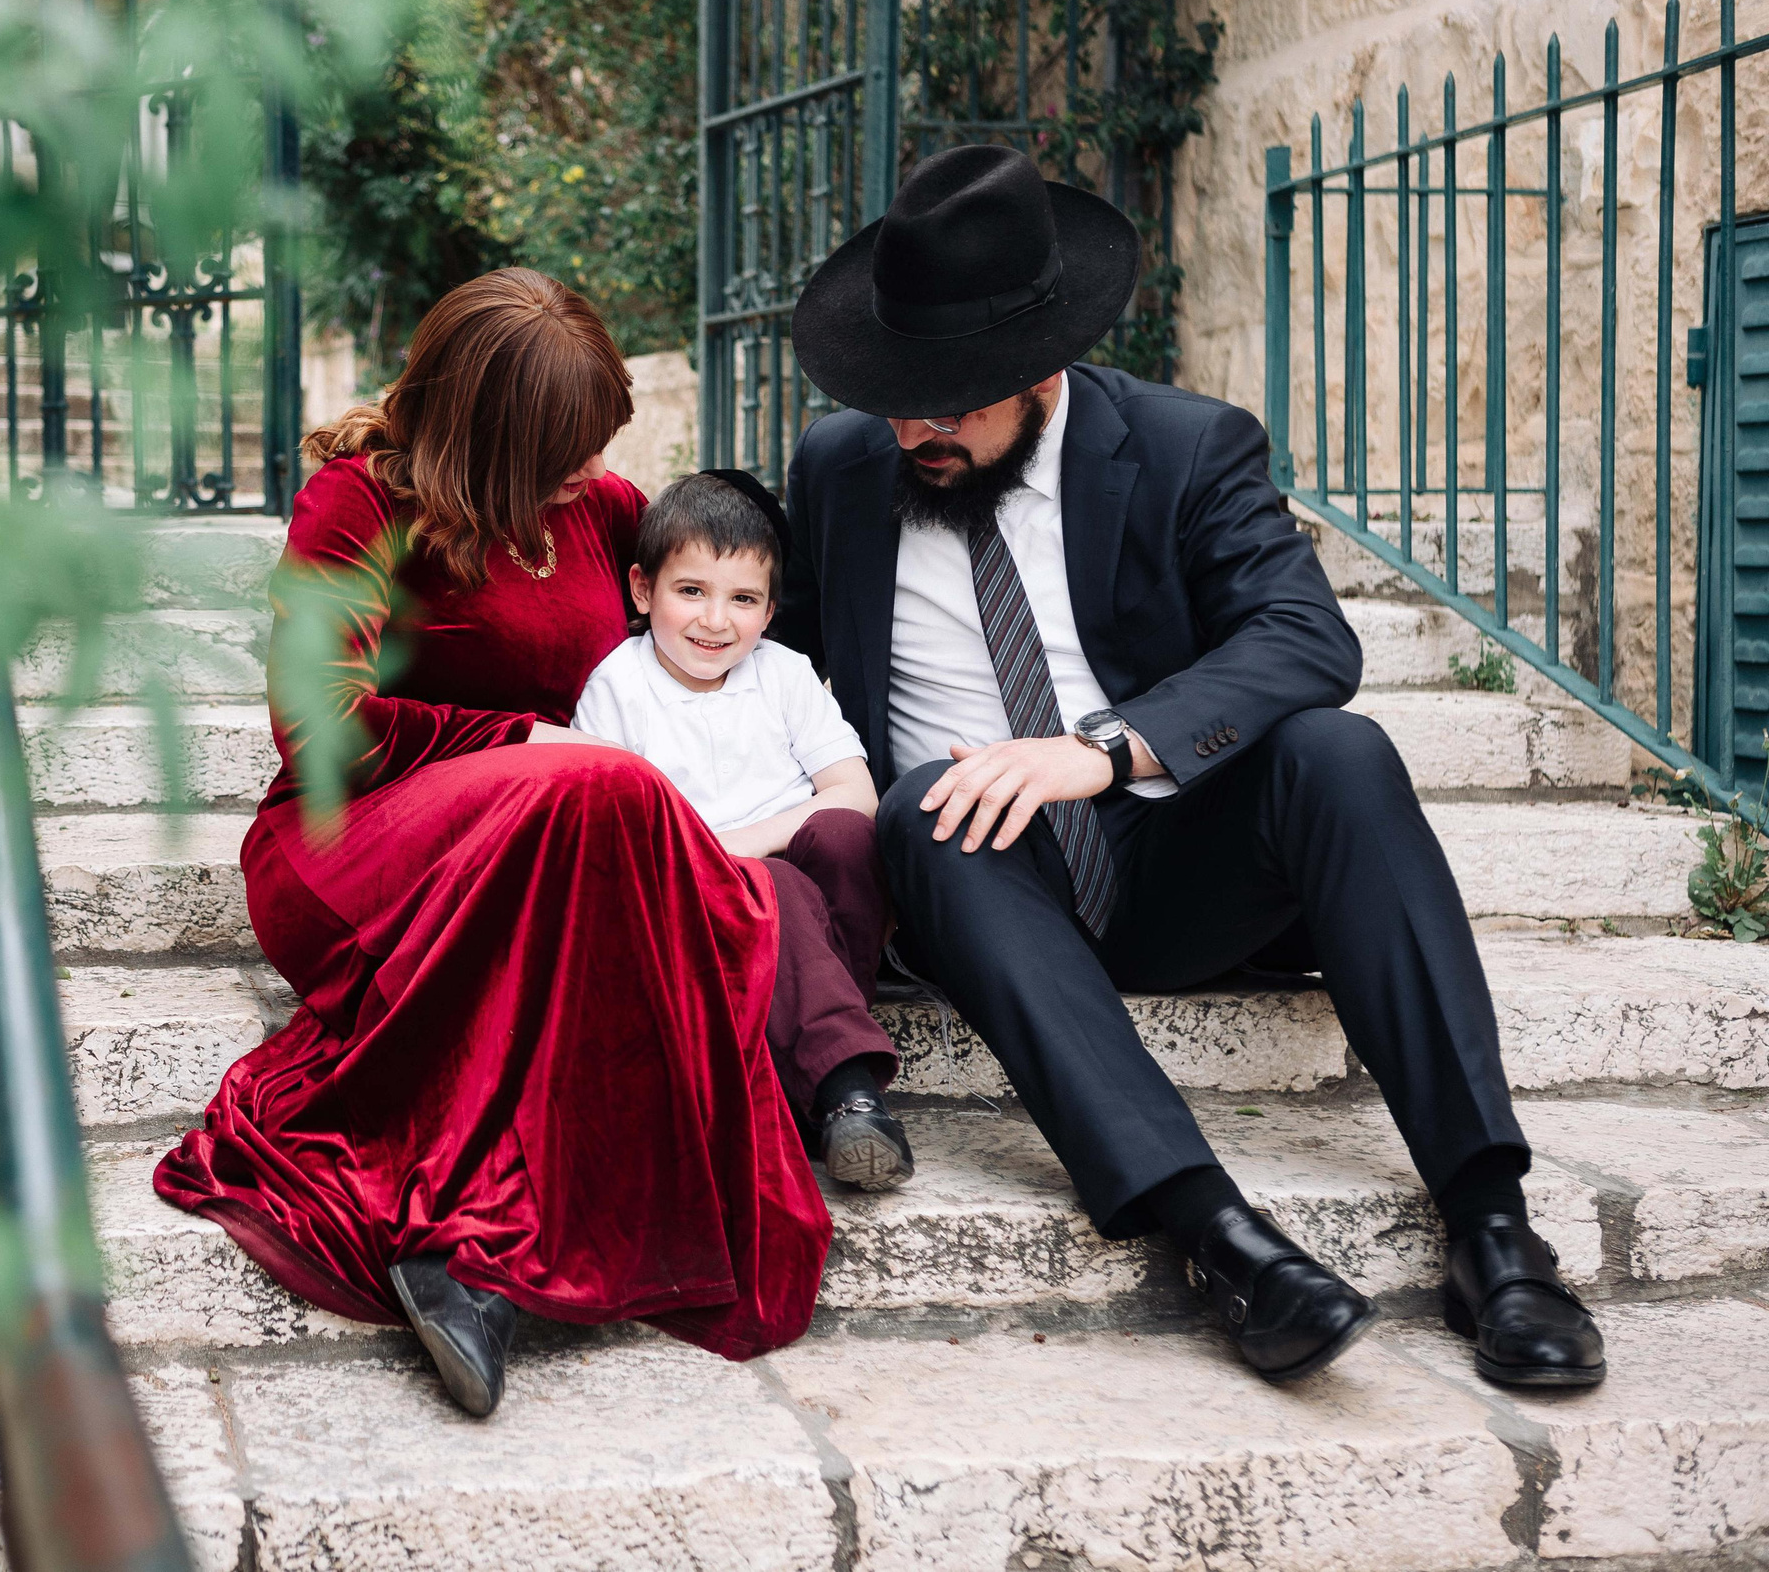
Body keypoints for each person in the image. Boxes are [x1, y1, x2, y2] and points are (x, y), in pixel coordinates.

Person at [774, 143, 1606, 1388]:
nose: (915, 428)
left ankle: (1492, 1226)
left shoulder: (1185, 444)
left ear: (1039, 366)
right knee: (925, 808)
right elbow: (774, 667)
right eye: (898, 392)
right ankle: (1215, 1236)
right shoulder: (840, 470)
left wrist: (1097, 753)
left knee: (1338, 752)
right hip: (977, 888)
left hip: (1171, 859)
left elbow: (1302, 638)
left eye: (951, 400)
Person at [155, 268, 860, 1420]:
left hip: (556, 841)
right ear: (492, 434)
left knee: (610, 820)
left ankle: (478, 1269)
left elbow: (714, 616)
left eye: (595, 441)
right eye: (563, 445)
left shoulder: (599, 511)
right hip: (356, 848)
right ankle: (471, 1241)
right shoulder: (354, 508)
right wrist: (519, 742)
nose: (589, 468)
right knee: (587, 789)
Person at [571, 470, 909, 1187]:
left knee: (844, 838)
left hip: (806, 919)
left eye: (743, 600)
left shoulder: (783, 675)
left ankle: (811, 1068)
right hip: (694, 913)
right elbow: (609, 833)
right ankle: (847, 1091)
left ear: (769, 610)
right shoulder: (617, 686)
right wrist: (733, 864)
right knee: (775, 882)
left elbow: (856, 794)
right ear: (642, 590)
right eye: (691, 591)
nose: (716, 621)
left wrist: (743, 841)